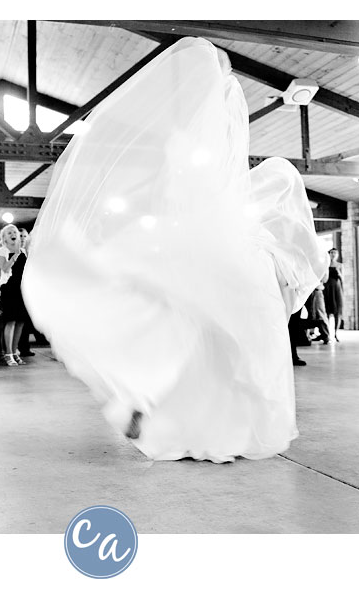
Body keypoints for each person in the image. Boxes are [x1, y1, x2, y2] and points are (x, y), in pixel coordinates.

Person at [21, 37, 327, 462]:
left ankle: (149, 401)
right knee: (208, 331)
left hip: (193, 242)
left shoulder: (180, 144)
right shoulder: (211, 150)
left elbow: (171, 195)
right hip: (212, 247)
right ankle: (189, 416)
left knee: (179, 321)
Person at [0, 224, 29, 366]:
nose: (13, 234)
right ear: (4, 238)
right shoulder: (2, 250)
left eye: (14, 232)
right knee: (11, 321)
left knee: (20, 322)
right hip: (9, 289)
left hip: (21, 289)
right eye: (9, 233)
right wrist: (14, 257)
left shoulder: (23, 251)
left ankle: (15, 352)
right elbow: (4, 268)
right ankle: (7, 354)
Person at [323, 248, 344, 343]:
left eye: (335, 253)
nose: (333, 254)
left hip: (336, 289)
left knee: (337, 312)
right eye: (331, 252)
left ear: (337, 254)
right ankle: (326, 334)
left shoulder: (340, 265)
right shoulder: (325, 265)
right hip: (327, 288)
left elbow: (343, 278)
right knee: (326, 311)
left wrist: (338, 273)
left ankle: (335, 333)